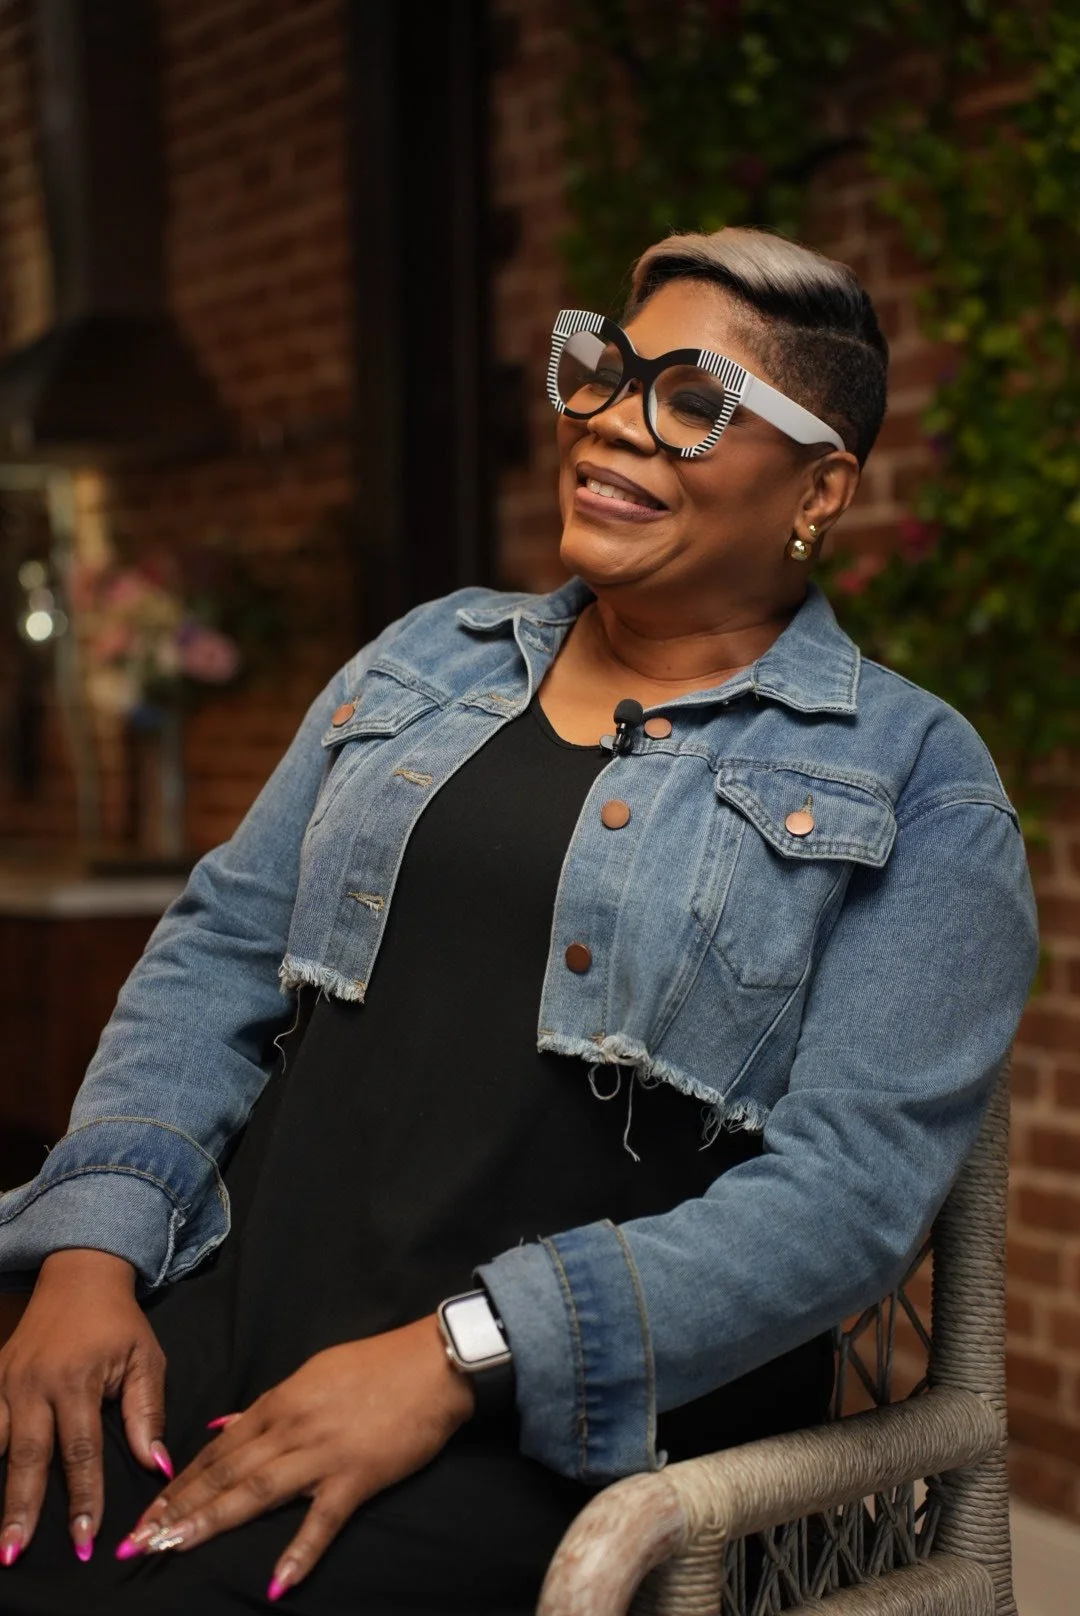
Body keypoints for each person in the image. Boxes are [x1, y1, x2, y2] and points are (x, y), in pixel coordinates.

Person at [0, 227, 1037, 1615]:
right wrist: (89, 1251)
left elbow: (848, 1199)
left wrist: (454, 1357)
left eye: (693, 400)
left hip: (562, 1431)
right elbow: (222, 950)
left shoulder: (921, 782)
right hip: (229, 1304)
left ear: (820, 485)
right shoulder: (429, 655)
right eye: (610, 369)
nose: (611, 418)